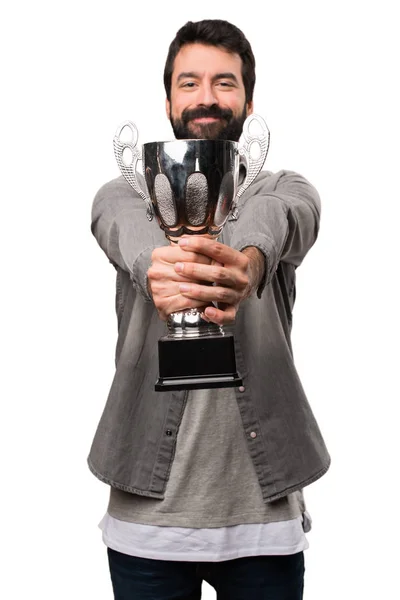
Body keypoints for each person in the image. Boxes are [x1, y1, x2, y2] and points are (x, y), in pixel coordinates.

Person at [88, 18, 331, 600]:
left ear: (249, 99)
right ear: (168, 98)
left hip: (263, 521)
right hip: (148, 524)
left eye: (225, 82)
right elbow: (115, 222)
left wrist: (245, 263)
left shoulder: (280, 189)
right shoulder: (128, 192)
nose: (206, 97)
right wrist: (157, 269)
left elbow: (291, 218)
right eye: (189, 82)